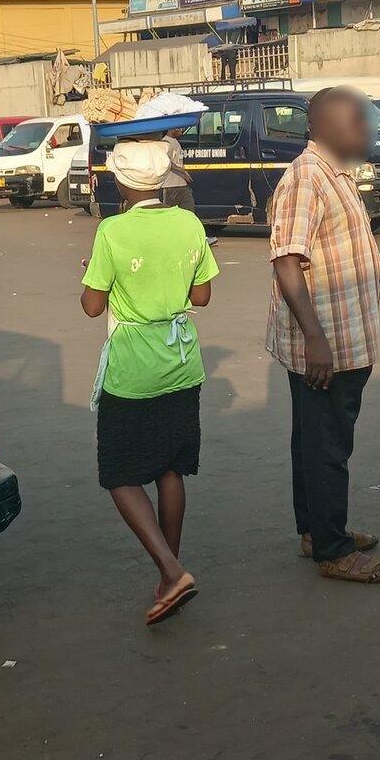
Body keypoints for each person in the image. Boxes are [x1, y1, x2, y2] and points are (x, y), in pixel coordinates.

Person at [81, 139, 219, 625]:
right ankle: (170, 575)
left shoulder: (111, 231)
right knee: (169, 468)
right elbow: (200, 296)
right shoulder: (188, 222)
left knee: (119, 473)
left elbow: (92, 305)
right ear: (162, 180)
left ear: (120, 182)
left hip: (133, 369)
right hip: (182, 364)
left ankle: (171, 570)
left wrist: (103, 279)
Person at [266, 87, 380, 584]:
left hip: (344, 338)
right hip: (325, 346)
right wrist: (316, 340)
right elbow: (286, 260)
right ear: (323, 128)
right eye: (355, 123)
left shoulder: (334, 172)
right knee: (327, 446)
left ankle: (315, 529)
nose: (364, 132)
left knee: (313, 439)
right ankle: (334, 549)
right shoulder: (306, 178)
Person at [161, 128, 218, 246]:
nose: (181, 130)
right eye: (178, 128)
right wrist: (182, 171)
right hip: (170, 186)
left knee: (190, 214)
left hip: (182, 185)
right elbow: (165, 161)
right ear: (171, 129)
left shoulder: (175, 142)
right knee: (168, 217)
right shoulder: (165, 143)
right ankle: (166, 241)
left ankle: (199, 238)